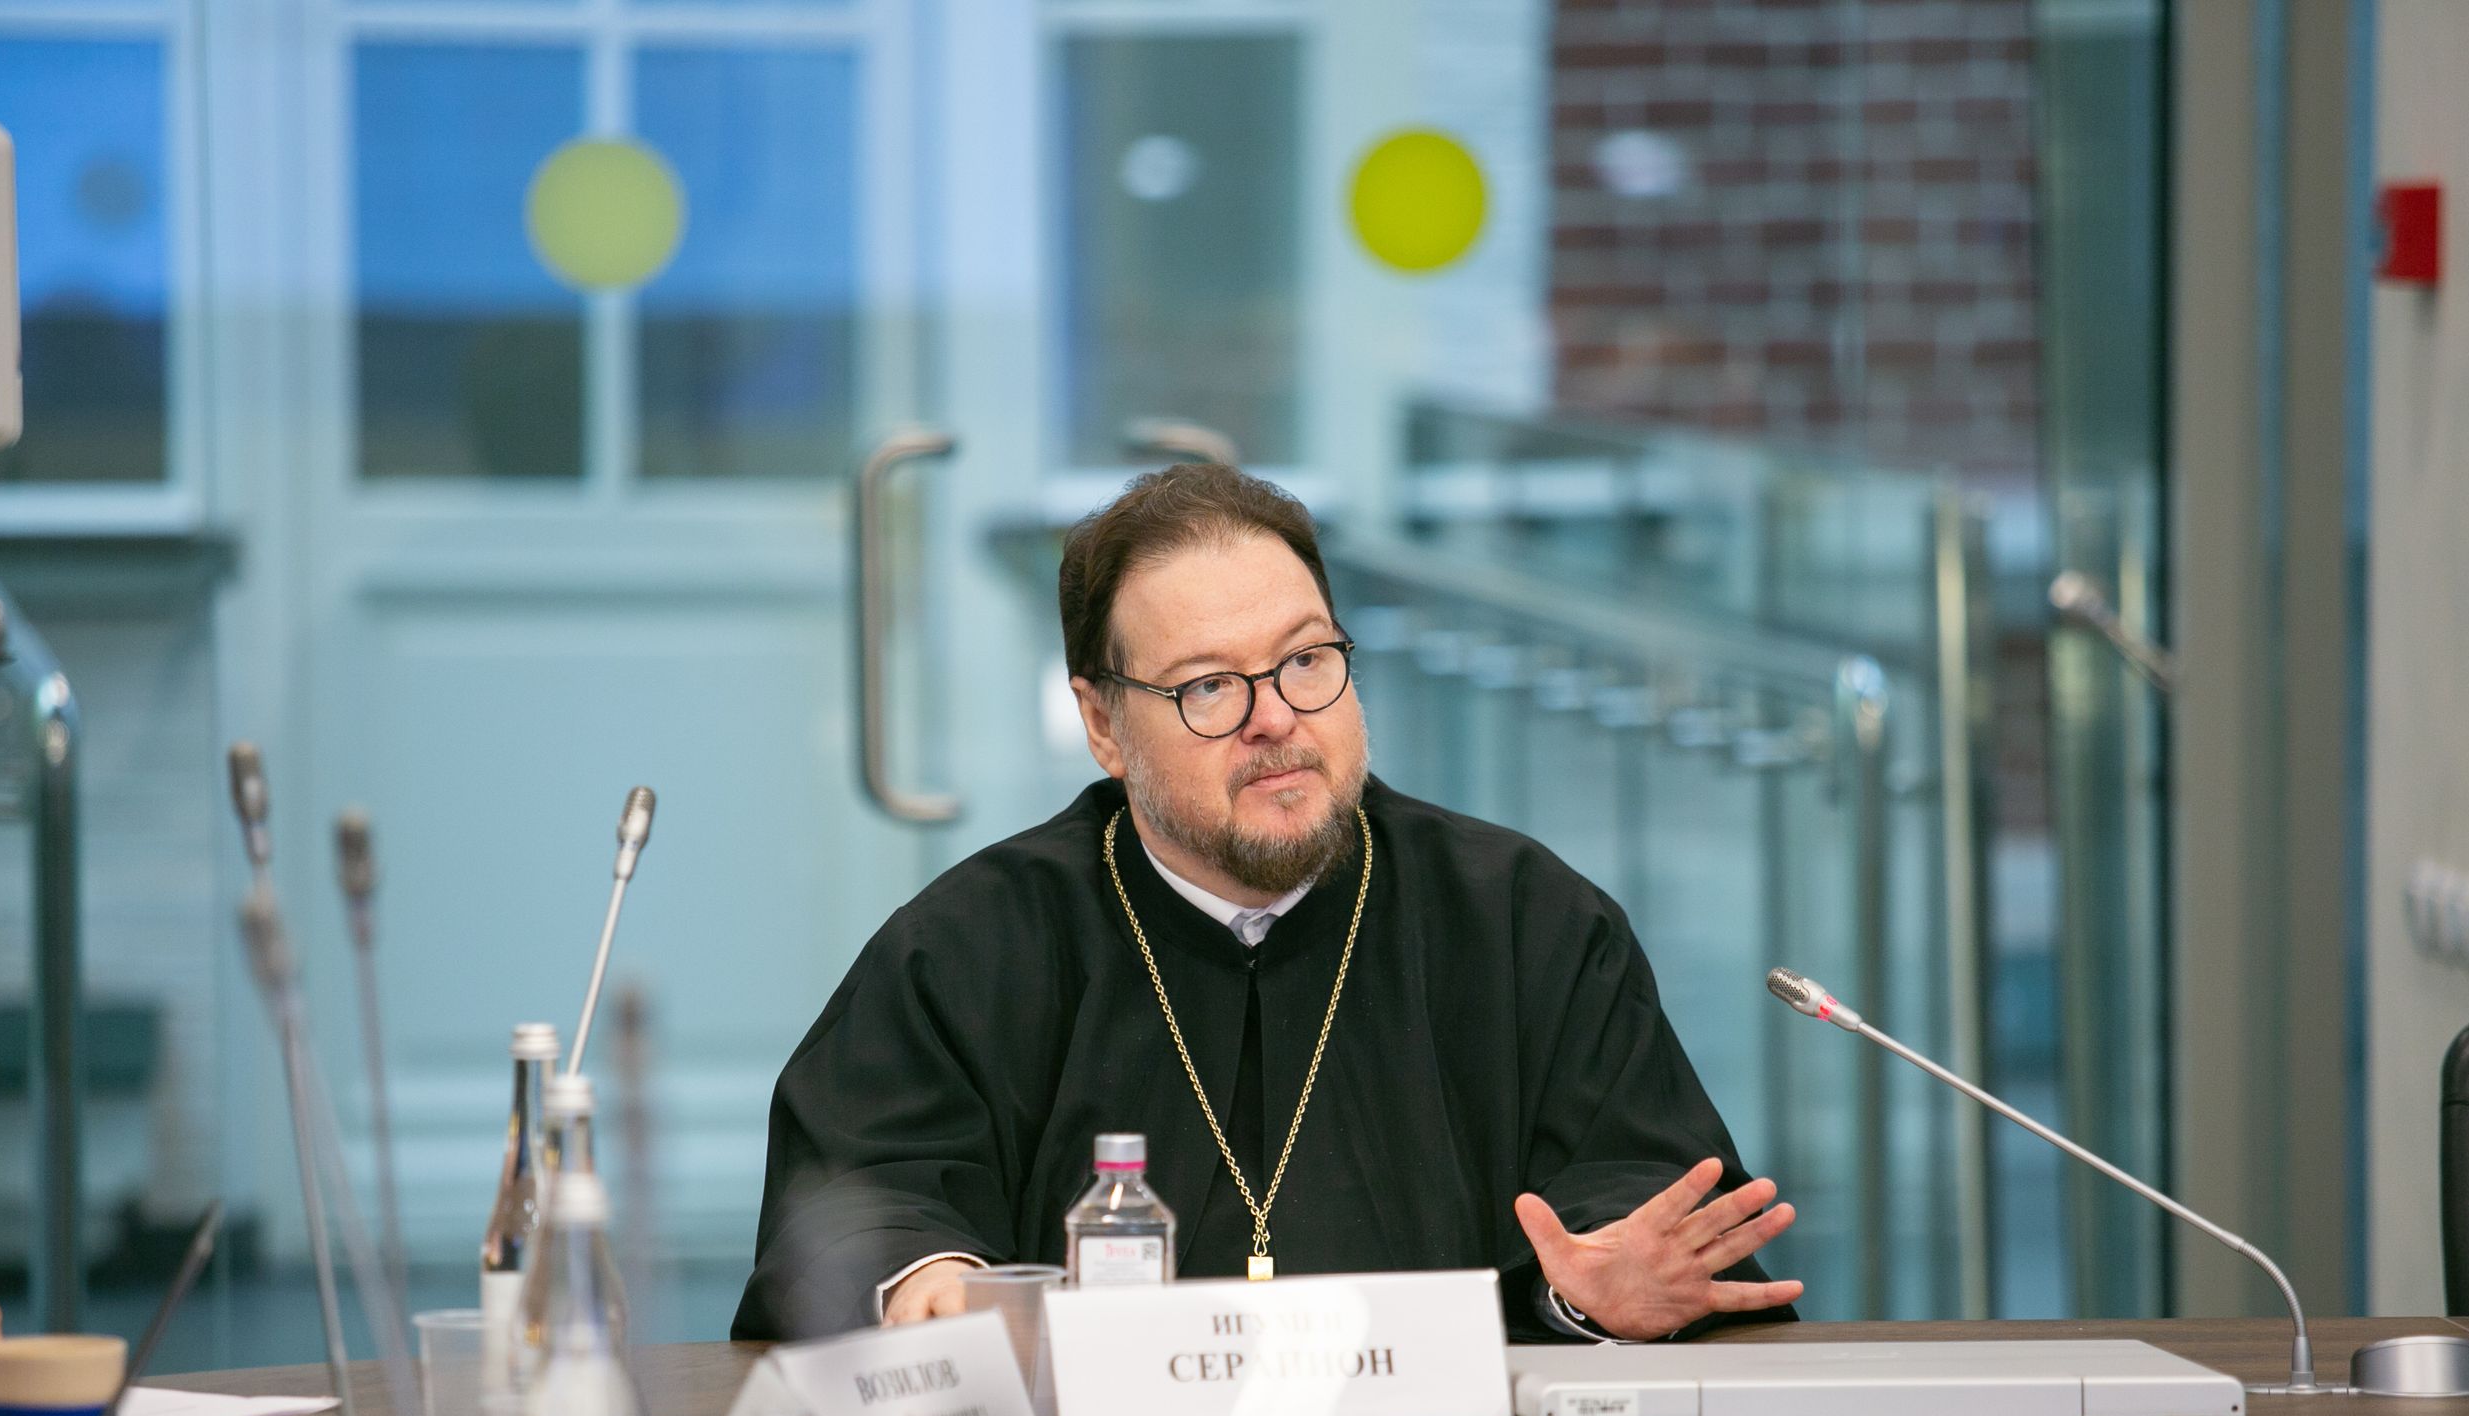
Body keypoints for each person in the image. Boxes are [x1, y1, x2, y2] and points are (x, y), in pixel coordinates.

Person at [733, 464, 1802, 1342]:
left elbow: (1634, 1204)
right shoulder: (975, 946)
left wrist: (1594, 1295)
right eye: (1208, 684)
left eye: (1305, 660)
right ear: (1102, 726)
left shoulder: (1524, 923)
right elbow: (864, 1199)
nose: (1276, 717)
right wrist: (926, 1281)